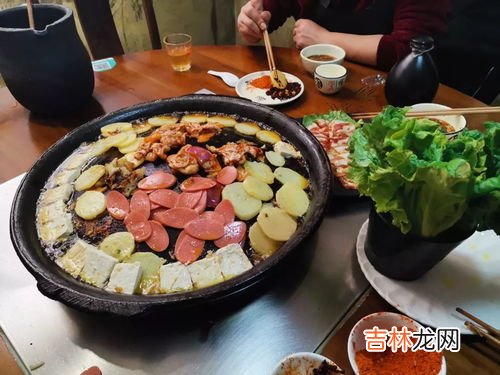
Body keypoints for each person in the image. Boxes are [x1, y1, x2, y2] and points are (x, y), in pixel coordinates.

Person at [237, 0, 450, 70]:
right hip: (313, 85)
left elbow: (411, 50)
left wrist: (327, 41)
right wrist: (253, 19)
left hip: (382, 96)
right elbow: (276, 7)